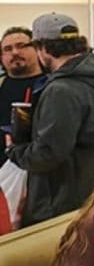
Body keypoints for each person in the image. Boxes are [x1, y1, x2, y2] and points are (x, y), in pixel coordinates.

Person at [7, 12, 94, 228]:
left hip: (60, 205)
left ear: (42, 48)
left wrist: (15, 149)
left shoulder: (61, 90)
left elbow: (48, 154)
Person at [0, 25, 48, 168]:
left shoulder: (51, 86)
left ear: (37, 49)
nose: (15, 52)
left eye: (21, 46)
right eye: (7, 49)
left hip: (36, 166)